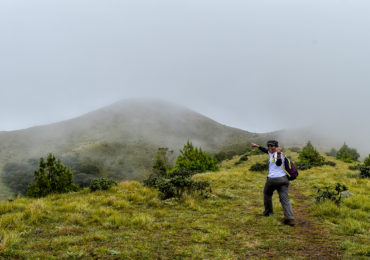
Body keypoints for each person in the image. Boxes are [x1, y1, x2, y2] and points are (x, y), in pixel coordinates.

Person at [251, 140, 295, 226]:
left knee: (267, 194)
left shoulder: (279, 154)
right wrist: (257, 146)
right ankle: (290, 218)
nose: (270, 147)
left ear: (276, 147)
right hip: (283, 180)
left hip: (273, 179)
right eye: (269, 146)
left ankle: (268, 213)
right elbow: (265, 150)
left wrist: (278, 153)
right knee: (284, 199)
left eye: (272, 146)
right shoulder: (271, 153)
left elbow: (278, 163)